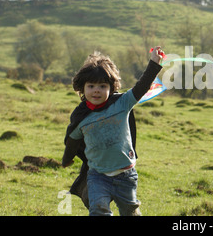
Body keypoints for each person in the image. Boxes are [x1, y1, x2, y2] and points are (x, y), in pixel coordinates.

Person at [62, 47, 164, 216]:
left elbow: (142, 86)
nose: (96, 90)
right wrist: (67, 159)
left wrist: (154, 63)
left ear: (112, 87)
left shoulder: (122, 103)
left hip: (126, 174)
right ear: (82, 89)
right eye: (91, 86)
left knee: (129, 211)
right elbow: (72, 141)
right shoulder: (81, 117)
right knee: (98, 209)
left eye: (102, 86)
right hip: (97, 176)